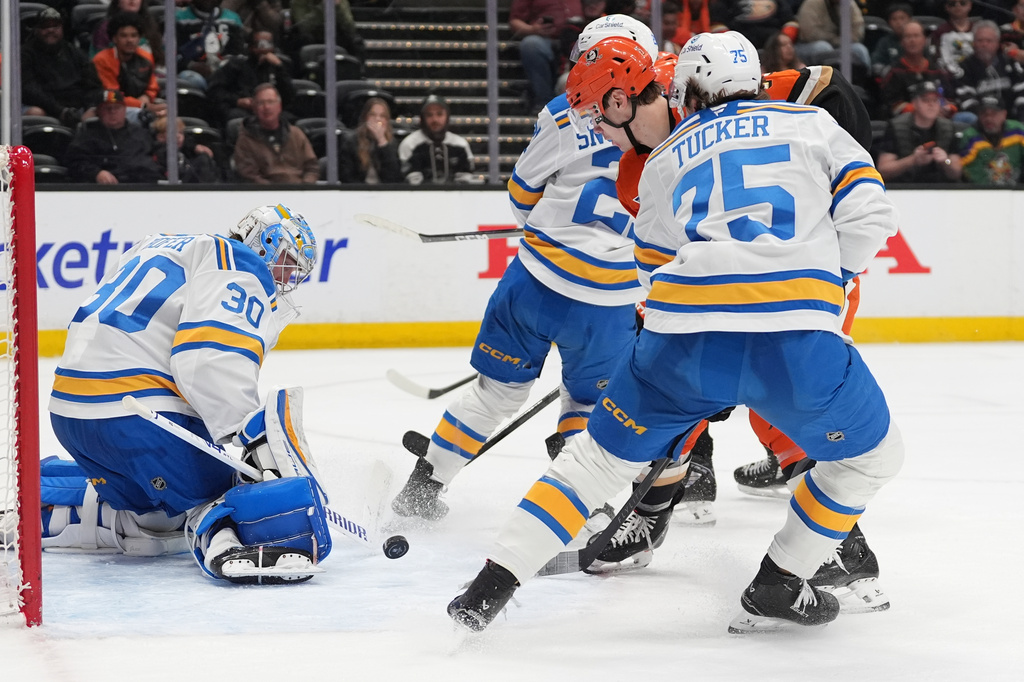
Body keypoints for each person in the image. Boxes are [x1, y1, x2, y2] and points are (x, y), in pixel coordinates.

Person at [448, 31, 904, 635]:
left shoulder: (664, 154)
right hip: (796, 327)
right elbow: (870, 213)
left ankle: (485, 593)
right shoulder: (812, 124)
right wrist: (829, 276)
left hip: (686, 330)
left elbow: (652, 266)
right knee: (867, 453)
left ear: (671, 91)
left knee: (595, 461)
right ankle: (783, 573)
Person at [389, 15, 659, 523]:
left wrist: (554, 223)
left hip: (534, 284)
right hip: (608, 305)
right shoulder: (668, 123)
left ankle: (423, 488)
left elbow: (520, 199)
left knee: (493, 395)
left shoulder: (562, 113)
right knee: (585, 407)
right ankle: (582, 512)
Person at [41, 204, 329, 585]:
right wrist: (251, 437)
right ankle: (224, 543)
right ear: (265, 244)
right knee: (224, 490)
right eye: (287, 263)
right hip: (138, 415)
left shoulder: (157, 245)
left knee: (158, 520)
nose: (286, 278)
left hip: (70, 413)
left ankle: (45, 507)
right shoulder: (240, 262)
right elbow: (208, 362)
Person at [21, 7, 103, 127]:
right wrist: (60, 111)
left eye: (55, 26)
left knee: (102, 111)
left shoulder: (76, 53)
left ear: (62, 28)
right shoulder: (25, 54)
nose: (50, 30)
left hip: (77, 107)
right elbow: (30, 90)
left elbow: (93, 86)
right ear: (36, 30)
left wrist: (90, 108)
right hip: (44, 106)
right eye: (45, 26)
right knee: (36, 113)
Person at [64, 89, 163, 184]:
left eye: (117, 107)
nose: (112, 111)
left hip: (144, 187)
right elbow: (75, 163)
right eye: (107, 108)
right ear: (98, 111)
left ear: (124, 110)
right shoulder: (86, 136)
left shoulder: (141, 133)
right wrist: (96, 173)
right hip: (106, 189)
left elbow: (158, 158)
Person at [232, 83, 319, 184]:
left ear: (279, 106)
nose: (266, 107)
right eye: (261, 103)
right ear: (254, 108)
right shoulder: (245, 140)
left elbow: (312, 167)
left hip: (300, 193)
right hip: (265, 195)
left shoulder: (296, 134)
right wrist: (275, 192)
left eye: (271, 102)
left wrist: (304, 187)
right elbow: (249, 175)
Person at [878, 80, 964, 182]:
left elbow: (957, 172)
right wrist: (913, 160)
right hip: (903, 189)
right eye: (925, 100)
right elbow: (883, 170)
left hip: (940, 189)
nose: (931, 105)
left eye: (935, 100)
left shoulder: (948, 127)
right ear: (914, 103)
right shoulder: (896, 127)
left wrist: (945, 161)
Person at [207, 30, 295, 127]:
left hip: (271, 110)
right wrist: (237, 101)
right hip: (243, 110)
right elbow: (214, 91)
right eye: (260, 45)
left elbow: (290, 97)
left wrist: (279, 67)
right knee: (235, 118)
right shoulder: (236, 65)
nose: (264, 49)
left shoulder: (278, 67)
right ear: (250, 47)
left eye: (268, 44)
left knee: (290, 119)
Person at [509, 0, 584, 110]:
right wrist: (533, 29)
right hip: (545, 40)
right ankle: (546, 104)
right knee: (531, 44)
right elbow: (514, 22)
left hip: (579, 39)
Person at [92, 12, 163, 114]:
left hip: (145, 104)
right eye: (124, 36)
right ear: (114, 38)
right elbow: (112, 96)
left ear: (139, 38)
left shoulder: (146, 56)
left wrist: (147, 96)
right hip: (110, 109)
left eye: (134, 35)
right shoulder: (102, 60)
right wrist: (141, 105)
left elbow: (153, 86)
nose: (129, 40)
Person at [953, 21, 1024, 123]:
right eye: (980, 40)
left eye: (989, 41)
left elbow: (1021, 90)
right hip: (981, 121)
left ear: (997, 43)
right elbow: (967, 100)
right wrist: (989, 118)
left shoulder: (1010, 61)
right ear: (973, 43)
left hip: (1012, 118)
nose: (984, 44)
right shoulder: (964, 67)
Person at [879, 21, 955, 117]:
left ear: (924, 40)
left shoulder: (937, 70)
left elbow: (951, 100)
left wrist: (945, 108)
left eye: (916, 36)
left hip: (939, 120)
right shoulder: (894, 73)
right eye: (908, 37)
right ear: (901, 42)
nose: (912, 40)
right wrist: (922, 109)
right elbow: (891, 106)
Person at [397, 94, 477, 185]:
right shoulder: (409, 144)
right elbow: (411, 185)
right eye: (429, 115)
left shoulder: (460, 144)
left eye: (439, 114)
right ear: (422, 118)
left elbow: (465, 186)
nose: (435, 119)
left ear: (447, 117)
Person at [175, 0, 246, 89]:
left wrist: (223, 67)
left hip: (225, 73)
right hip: (191, 75)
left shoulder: (232, 19)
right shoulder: (179, 18)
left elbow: (239, 54)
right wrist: (192, 65)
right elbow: (170, 55)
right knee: (190, 79)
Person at [960, 94, 1024, 184]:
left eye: (994, 114)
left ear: (1004, 114)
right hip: (984, 193)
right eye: (984, 114)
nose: (988, 118)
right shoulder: (970, 137)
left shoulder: (1018, 131)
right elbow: (972, 172)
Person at [338, 97, 404, 184]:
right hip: (357, 193)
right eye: (372, 115)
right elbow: (346, 177)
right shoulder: (351, 142)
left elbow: (394, 178)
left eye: (382, 116)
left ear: (387, 120)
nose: (377, 119)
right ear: (365, 118)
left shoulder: (392, 143)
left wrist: (382, 141)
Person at [795, 0, 871, 70]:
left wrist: (839, 41)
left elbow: (858, 29)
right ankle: (826, 80)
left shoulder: (849, 4)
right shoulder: (812, 3)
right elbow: (810, 33)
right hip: (808, 45)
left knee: (860, 50)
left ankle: (866, 81)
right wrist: (835, 39)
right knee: (824, 48)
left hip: (838, 43)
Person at [152, 116, 223, 183]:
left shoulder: (191, 155)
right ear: (160, 137)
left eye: (181, 133)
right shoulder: (156, 157)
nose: (178, 136)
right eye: (173, 132)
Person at [288, 0, 365, 61]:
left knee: (356, 41)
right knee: (302, 38)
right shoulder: (298, 1)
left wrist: (338, 7)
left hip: (333, 34)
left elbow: (350, 27)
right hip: (311, 35)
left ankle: (357, 74)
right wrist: (323, 7)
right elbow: (303, 26)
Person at [91, 0, 165, 64]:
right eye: (123, 35)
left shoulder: (150, 26)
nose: (132, 0)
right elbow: (98, 63)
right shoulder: (105, 28)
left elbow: (160, 58)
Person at [709, 0, 799, 50]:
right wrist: (732, 44)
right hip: (740, 47)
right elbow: (717, 24)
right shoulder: (725, 3)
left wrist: (784, 40)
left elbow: (790, 22)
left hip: (774, 48)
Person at [931, 0, 977, 78]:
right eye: (952, 4)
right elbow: (937, 59)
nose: (958, 6)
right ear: (947, 7)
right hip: (950, 75)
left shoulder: (978, 29)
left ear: (970, 5)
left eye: (963, 3)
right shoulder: (940, 32)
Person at [871, 3, 913, 75]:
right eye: (894, 19)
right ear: (889, 22)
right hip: (892, 80)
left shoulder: (917, 40)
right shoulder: (884, 42)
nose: (898, 22)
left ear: (910, 20)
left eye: (902, 18)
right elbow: (876, 65)